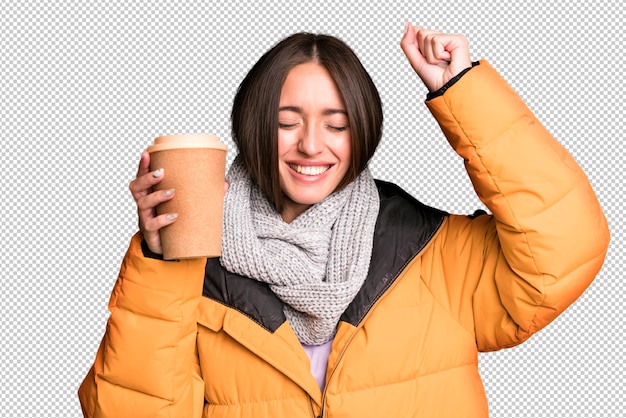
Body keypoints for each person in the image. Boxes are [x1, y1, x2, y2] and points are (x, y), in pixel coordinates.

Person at [78, 23, 609, 418]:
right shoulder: (191, 272)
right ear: (253, 126)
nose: (311, 145)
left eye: (336, 124)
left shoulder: (434, 253)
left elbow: (564, 248)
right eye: (287, 123)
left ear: (363, 133)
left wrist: (464, 92)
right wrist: (162, 260)